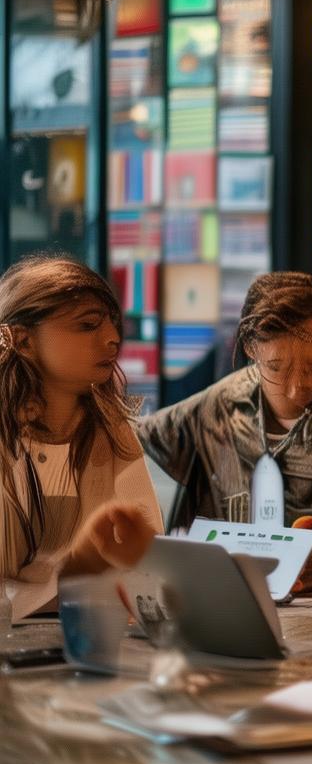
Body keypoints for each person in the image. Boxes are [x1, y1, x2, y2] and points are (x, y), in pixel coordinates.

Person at [137, 272, 312, 590]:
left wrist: (298, 560)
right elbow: (130, 443)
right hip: (213, 596)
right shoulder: (216, 405)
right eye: (277, 367)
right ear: (250, 347)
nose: (295, 388)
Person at [0, 257, 163, 620]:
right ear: (24, 340)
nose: (112, 338)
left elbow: (146, 562)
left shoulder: (113, 430)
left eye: (111, 322)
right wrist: (80, 569)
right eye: (88, 325)